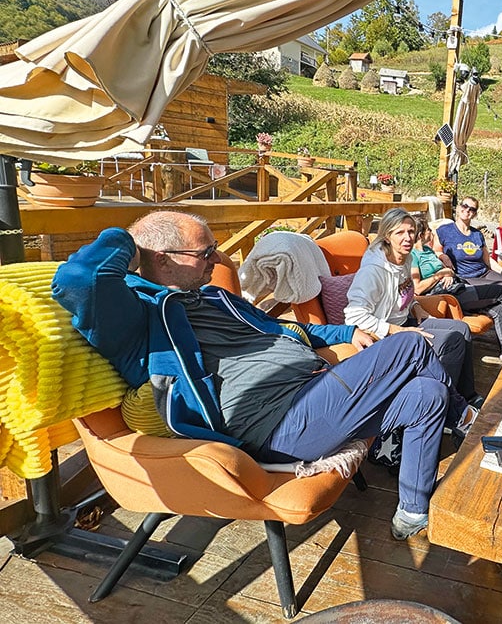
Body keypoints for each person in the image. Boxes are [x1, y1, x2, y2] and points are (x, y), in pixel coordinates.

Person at [52, 211, 448, 540]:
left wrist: (346, 332)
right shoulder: (136, 315)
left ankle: (412, 513)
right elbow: (80, 280)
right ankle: (469, 421)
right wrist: (127, 239)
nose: (217, 259)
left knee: (428, 395)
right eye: (205, 252)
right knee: (408, 344)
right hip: (276, 424)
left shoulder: (215, 297)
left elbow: (281, 329)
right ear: (162, 257)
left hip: (313, 389)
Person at [345, 208, 481, 433]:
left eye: (411, 231)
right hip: (385, 333)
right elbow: (353, 314)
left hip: (407, 320)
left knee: (462, 329)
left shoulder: (405, 258)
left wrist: (417, 307)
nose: (407, 238)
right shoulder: (373, 270)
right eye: (400, 233)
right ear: (387, 236)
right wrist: (395, 330)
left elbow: (406, 293)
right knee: (452, 341)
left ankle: (467, 396)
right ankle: (445, 410)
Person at [411, 215, 502, 364]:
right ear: (421, 234)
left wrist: (448, 270)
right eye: (429, 230)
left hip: (458, 286)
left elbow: (446, 268)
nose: (432, 232)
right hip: (449, 295)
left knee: (500, 310)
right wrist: (440, 275)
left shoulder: (428, 250)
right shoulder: (413, 256)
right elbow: (417, 288)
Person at [434, 195, 502, 303]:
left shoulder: (477, 234)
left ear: (475, 214)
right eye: (465, 205)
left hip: (484, 272)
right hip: (465, 276)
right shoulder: (444, 230)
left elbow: (487, 259)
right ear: (458, 207)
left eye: (472, 209)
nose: (467, 210)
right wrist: (442, 256)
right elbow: (435, 251)